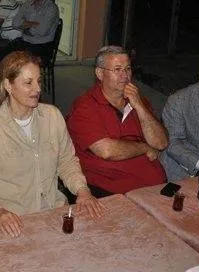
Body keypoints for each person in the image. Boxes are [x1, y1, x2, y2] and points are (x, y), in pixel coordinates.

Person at [0, 51, 104, 237]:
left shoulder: (52, 116)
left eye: (39, 81)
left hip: (52, 211)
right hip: (12, 220)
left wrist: (83, 191)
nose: (37, 89)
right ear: (8, 85)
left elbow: (66, 161)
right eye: (28, 83)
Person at [66, 46, 167, 197]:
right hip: (112, 191)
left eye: (128, 69)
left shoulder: (138, 100)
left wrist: (139, 106)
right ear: (100, 73)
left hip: (153, 188)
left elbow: (161, 143)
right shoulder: (84, 106)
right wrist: (145, 148)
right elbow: (107, 151)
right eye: (117, 69)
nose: (125, 75)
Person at [4, 0, 59, 64]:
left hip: (42, 46)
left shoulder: (51, 7)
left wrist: (24, 26)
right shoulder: (27, 4)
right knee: (0, 54)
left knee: (17, 60)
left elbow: (42, 31)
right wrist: (33, 24)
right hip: (25, 41)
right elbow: (15, 23)